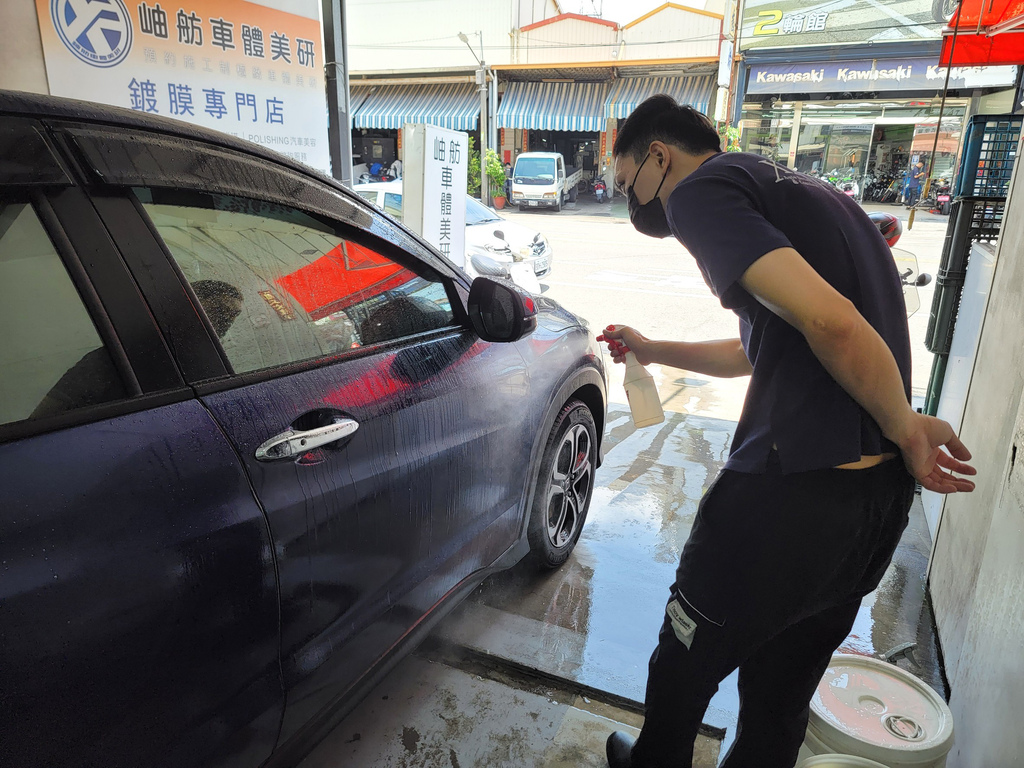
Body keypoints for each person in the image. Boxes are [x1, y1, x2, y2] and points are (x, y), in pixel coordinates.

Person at [598, 95, 976, 768]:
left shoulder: (701, 193)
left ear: (660, 156)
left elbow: (832, 324)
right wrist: (653, 348)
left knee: (682, 670)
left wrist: (906, 424)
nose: (635, 207)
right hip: (874, 507)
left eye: (629, 185)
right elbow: (763, 346)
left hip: (788, 499)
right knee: (780, 698)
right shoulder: (810, 193)